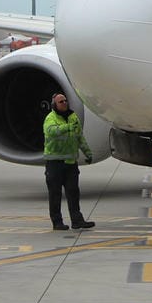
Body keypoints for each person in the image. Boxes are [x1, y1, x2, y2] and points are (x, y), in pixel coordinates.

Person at [43, 93, 95, 231]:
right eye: (61, 101)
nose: (64, 103)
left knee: (73, 192)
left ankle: (77, 220)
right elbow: (51, 131)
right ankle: (57, 222)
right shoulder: (51, 118)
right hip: (55, 163)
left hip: (71, 163)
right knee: (55, 194)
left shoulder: (73, 117)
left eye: (65, 100)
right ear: (55, 105)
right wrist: (67, 127)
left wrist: (87, 152)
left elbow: (80, 137)